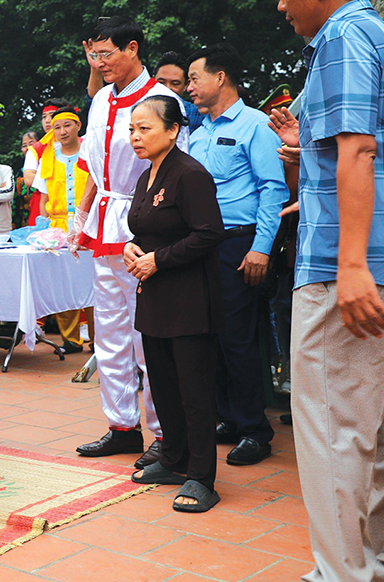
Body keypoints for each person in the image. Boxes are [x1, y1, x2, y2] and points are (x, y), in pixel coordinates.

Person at [274, 0, 384, 582]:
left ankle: (340, 575)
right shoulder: (380, 37)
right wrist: (302, 148)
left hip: (345, 271)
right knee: (381, 439)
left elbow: (358, 151)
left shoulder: (343, 38)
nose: (283, 3)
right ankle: (378, 563)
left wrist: (350, 268)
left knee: (331, 433)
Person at [71, 16, 190, 470]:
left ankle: (164, 433)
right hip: (105, 222)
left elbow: (179, 167)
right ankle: (122, 426)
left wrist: (162, 232)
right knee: (112, 334)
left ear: (133, 49)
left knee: (149, 336)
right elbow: (93, 169)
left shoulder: (163, 101)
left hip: (146, 224)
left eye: (106, 54)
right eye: (92, 54)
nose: (98, 63)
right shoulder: (100, 99)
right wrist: (82, 217)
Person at [186, 43, 289, 466]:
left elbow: (273, 189)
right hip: (202, 246)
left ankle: (254, 430)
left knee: (239, 338)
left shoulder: (254, 126)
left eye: (194, 78)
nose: (189, 87)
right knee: (210, 335)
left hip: (238, 243)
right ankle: (227, 416)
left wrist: (261, 248)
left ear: (220, 77)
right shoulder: (198, 131)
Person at [124, 96, 225, 513]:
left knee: (194, 390)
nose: (135, 137)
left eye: (145, 128)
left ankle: (202, 477)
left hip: (187, 299)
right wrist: (134, 249)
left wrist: (157, 259)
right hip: (154, 298)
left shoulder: (190, 174)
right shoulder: (147, 174)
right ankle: (174, 458)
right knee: (162, 383)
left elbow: (209, 233)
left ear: (172, 130)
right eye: (132, 129)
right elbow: (146, 230)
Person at [33, 106, 94, 353]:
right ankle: (71, 339)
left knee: (93, 282)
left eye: (67, 125)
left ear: (78, 126)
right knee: (63, 284)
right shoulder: (48, 158)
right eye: (56, 127)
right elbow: (42, 197)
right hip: (58, 228)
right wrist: (44, 227)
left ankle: (98, 337)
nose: (61, 131)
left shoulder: (90, 154)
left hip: (89, 226)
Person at [22, 101, 62, 226]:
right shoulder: (36, 148)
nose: (47, 120)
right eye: (44, 117)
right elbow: (28, 179)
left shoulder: (81, 144)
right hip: (41, 205)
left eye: (52, 115)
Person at [13, 131, 39, 228]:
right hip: (26, 224)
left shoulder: (47, 167)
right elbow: (17, 202)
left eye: (31, 144)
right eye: (24, 145)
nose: (28, 148)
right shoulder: (21, 172)